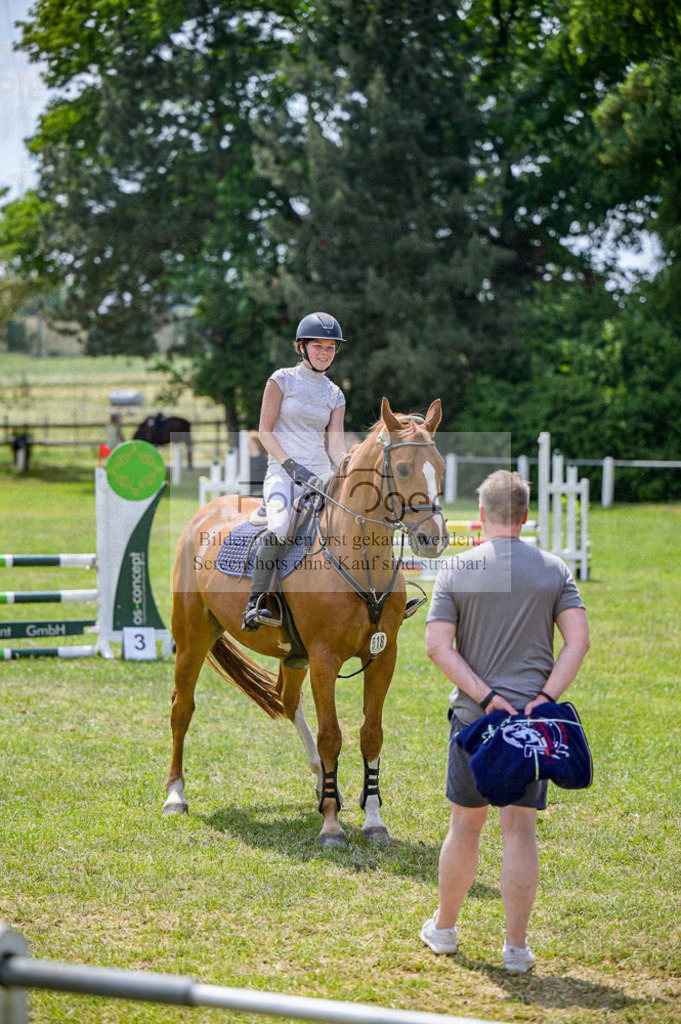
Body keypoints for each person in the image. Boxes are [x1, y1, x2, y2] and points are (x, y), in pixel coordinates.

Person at [421, 469, 590, 972]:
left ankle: (445, 929)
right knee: (520, 831)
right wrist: (545, 697)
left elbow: (436, 647)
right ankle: (516, 948)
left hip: (476, 723)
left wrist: (486, 695)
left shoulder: (456, 568)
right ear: (524, 514)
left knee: (464, 827)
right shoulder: (555, 569)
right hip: (532, 728)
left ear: (481, 516)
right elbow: (578, 641)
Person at [242, 311, 347, 631]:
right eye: (319, 346)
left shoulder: (335, 394)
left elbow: (335, 446)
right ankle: (256, 602)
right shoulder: (281, 380)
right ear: (302, 347)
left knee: (355, 519)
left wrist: (348, 465)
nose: (325, 352)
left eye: (331, 347)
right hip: (282, 472)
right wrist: (291, 465)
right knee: (281, 527)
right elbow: (264, 431)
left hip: (321, 474)